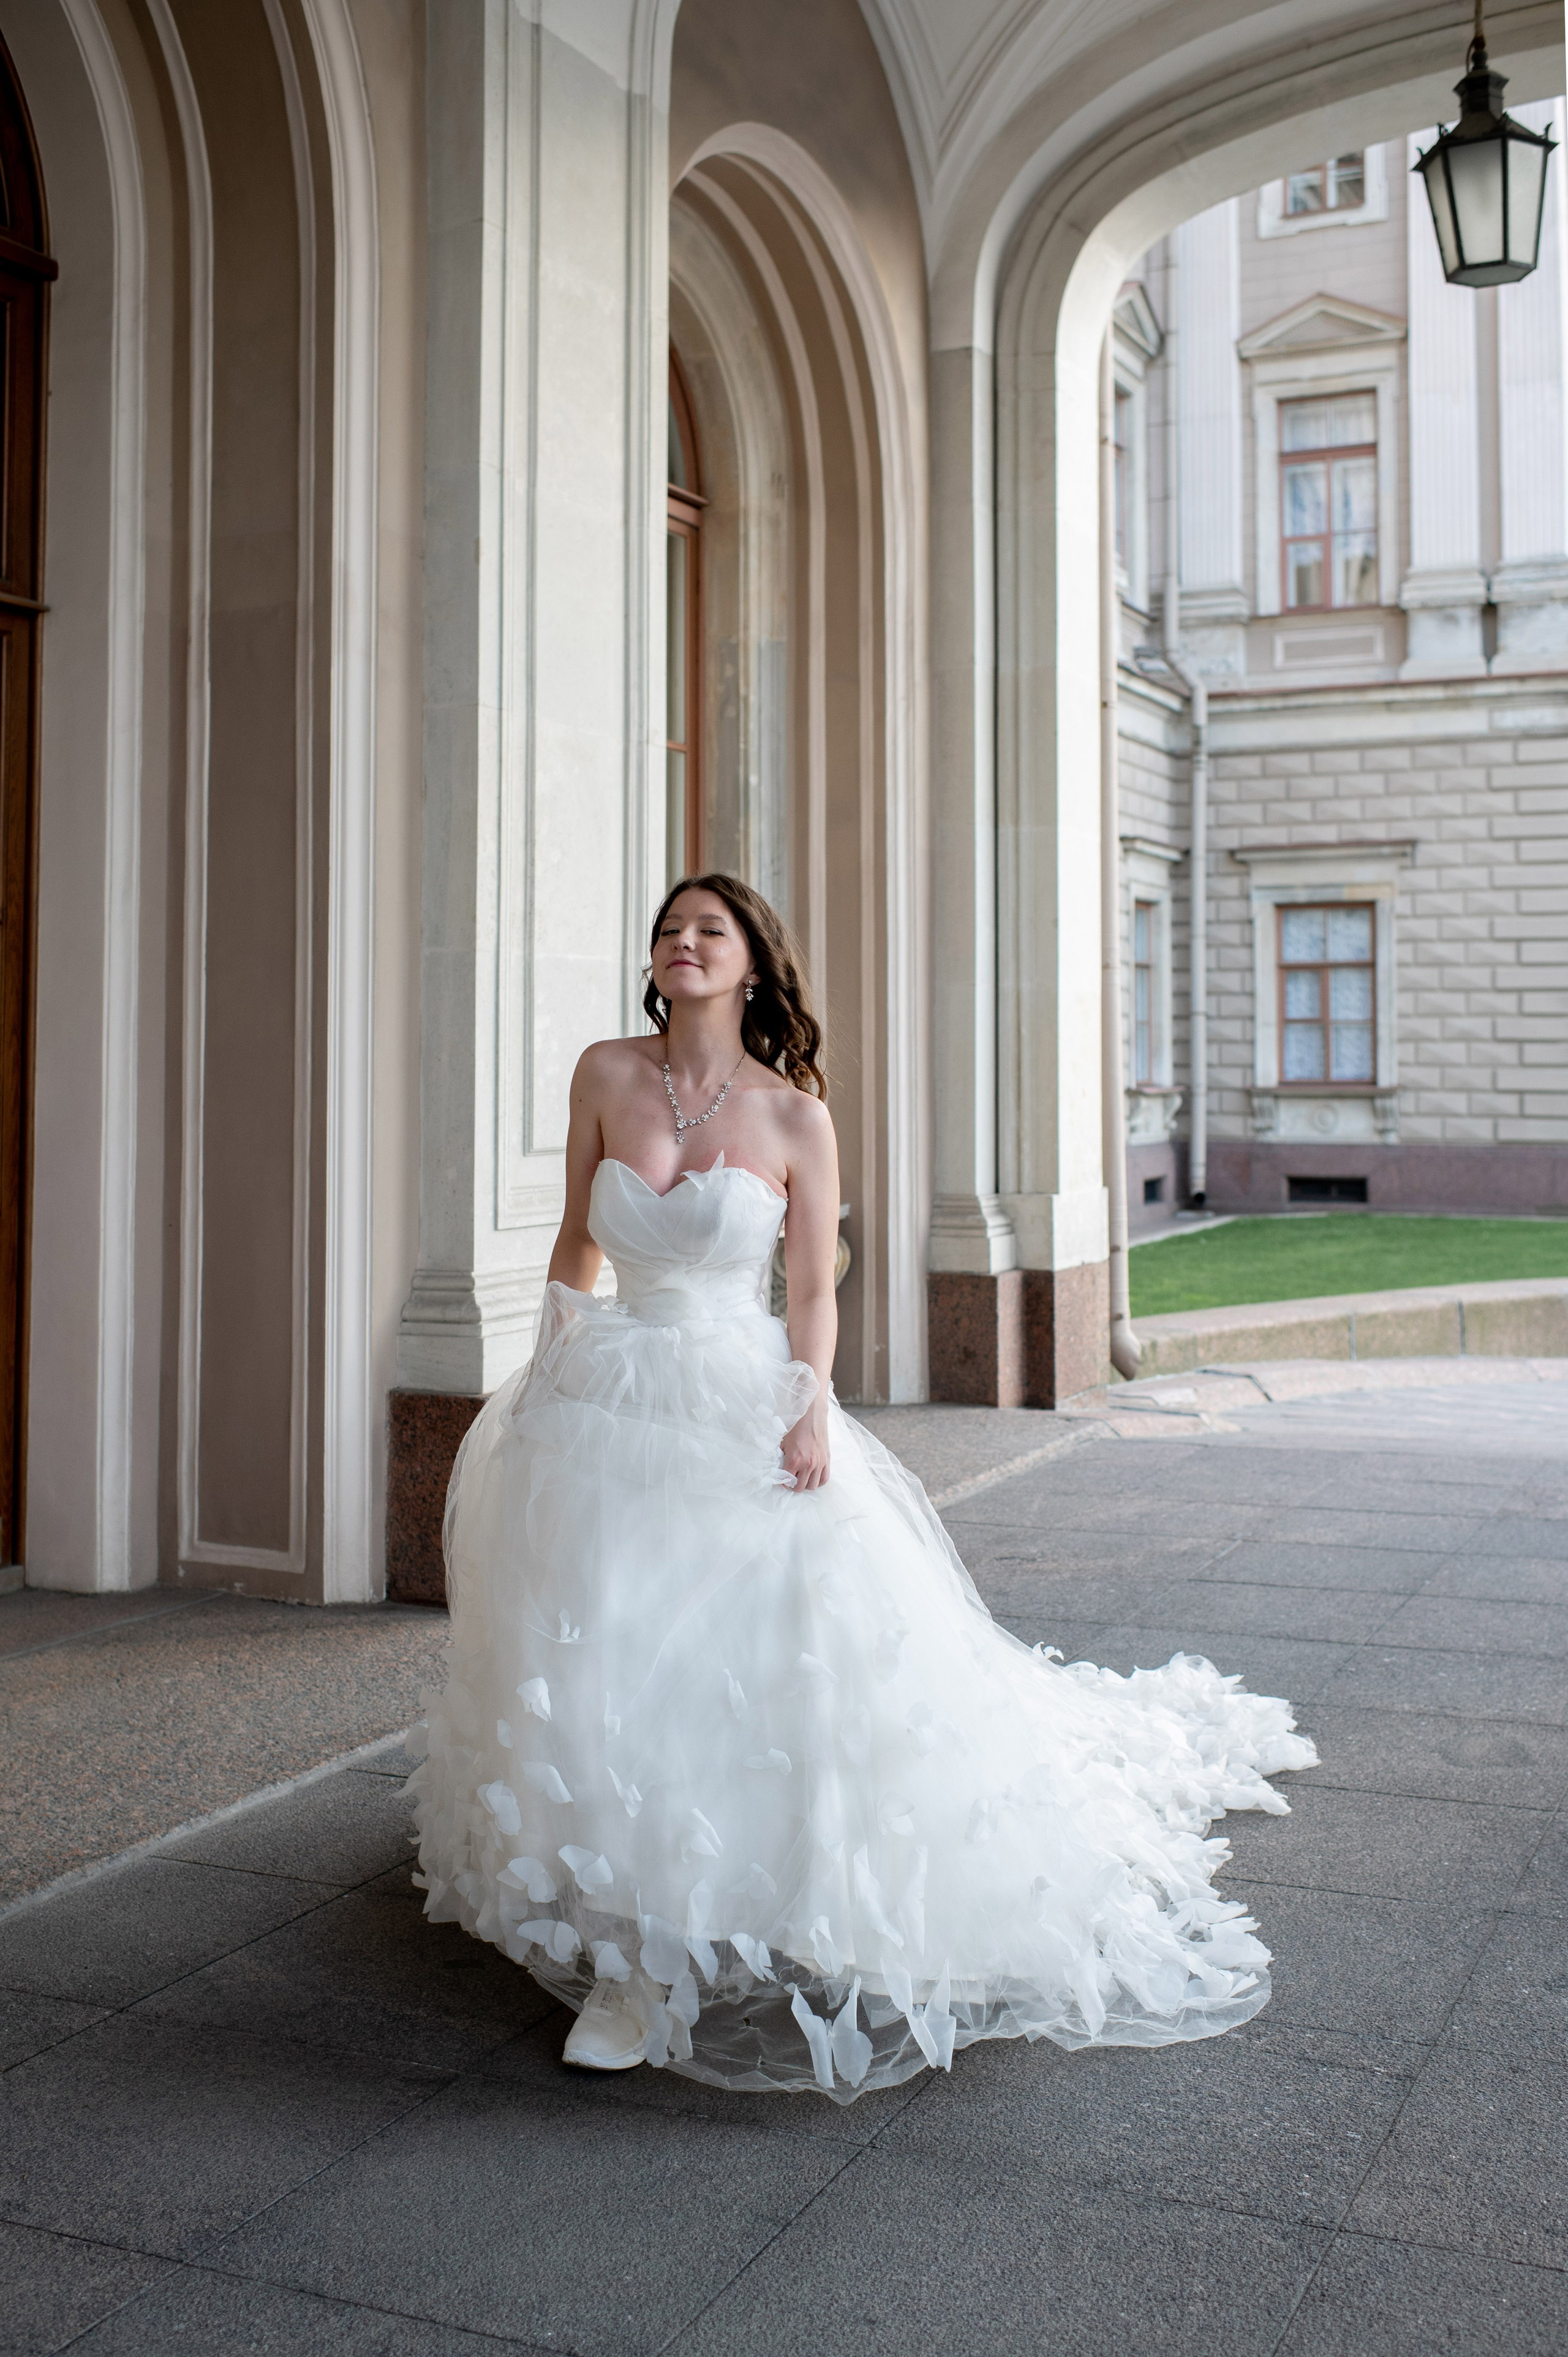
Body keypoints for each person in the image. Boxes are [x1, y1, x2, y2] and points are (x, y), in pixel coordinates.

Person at [409, 875, 1316, 2102]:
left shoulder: (793, 1118)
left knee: (733, 1656)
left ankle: (728, 1907)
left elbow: (818, 1284)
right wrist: (550, 1354)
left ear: (749, 965)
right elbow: (578, 1235)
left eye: (708, 931)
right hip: (604, 1399)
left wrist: (810, 1400)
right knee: (605, 1646)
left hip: (738, 1397)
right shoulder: (603, 1072)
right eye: (669, 929)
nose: (682, 943)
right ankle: (626, 1954)